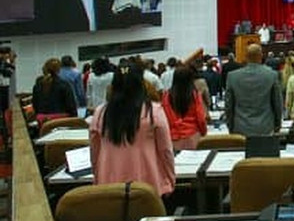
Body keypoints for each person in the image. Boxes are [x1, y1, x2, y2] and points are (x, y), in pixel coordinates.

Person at [90, 62, 175, 196]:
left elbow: (94, 153)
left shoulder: (100, 113)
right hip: (148, 187)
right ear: (141, 82)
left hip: (108, 187)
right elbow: (166, 151)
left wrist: (97, 178)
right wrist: (170, 179)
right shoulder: (153, 111)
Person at [225, 44, 282, 137]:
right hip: (265, 127)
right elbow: (277, 104)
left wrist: (230, 126)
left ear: (246, 57)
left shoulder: (232, 76)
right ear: (261, 56)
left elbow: (228, 106)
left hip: (240, 127)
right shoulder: (272, 75)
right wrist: (277, 125)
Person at [161, 67, 207, 150]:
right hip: (193, 136)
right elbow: (201, 118)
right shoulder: (194, 95)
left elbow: (165, 117)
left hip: (173, 137)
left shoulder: (166, 96)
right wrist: (203, 132)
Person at [32, 58, 77, 126]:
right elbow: (71, 107)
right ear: (58, 70)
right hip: (63, 122)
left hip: (43, 123)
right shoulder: (64, 85)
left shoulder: (37, 86)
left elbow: (35, 106)